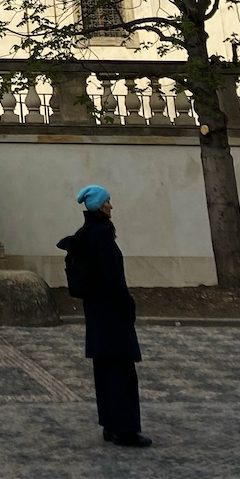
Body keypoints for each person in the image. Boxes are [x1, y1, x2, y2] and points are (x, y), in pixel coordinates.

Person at [58, 185, 152, 449]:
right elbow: (114, 278)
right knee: (121, 371)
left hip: (96, 311)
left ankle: (111, 424)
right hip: (111, 312)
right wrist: (128, 305)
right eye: (108, 201)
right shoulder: (101, 234)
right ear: (100, 205)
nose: (111, 205)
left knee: (105, 369)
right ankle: (125, 430)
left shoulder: (86, 233)